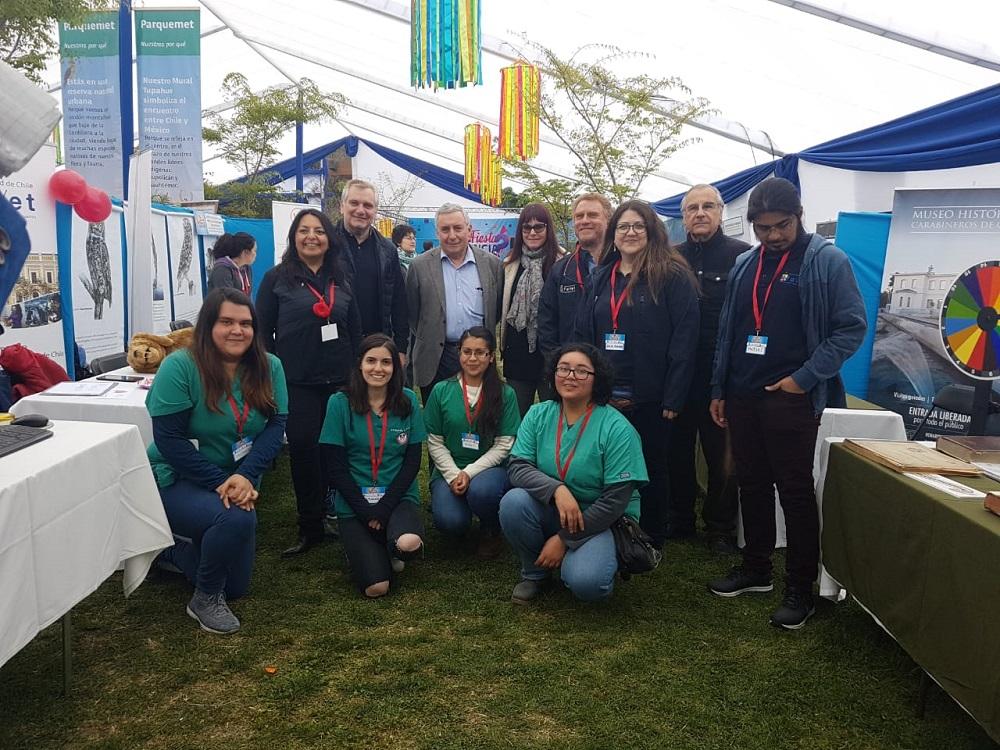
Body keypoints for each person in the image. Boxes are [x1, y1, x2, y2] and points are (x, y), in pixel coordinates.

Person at [707, 177, 866, 630]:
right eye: (763, 228)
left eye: (781, 226)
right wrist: (720, 388)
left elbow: (850, 327)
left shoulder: (827, 261)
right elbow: (728, 332)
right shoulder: (745, 264)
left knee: (794, 491)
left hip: (792, 399)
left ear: (798, 216)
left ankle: (801, 587)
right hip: (743, 393)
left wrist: (803, 378)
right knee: (750, 483)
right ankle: (756, 568)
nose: (773, 236)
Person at [146, 287, 288, 634]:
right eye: (226, 321)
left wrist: (246, 475)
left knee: (237, 588)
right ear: (208, 325)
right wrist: (221, 481)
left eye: (245, 323)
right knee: (237, 519)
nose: (237, 330)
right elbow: (169, 441)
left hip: (236, 476)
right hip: (175, 476)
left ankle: (173, 552)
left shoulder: (269, 365)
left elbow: (276, 425)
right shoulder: (180, 366)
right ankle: (204, 597)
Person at [573, 199, 700, 548]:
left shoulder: (672, 276)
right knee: (607, 464)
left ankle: (652, 535)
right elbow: (583, 333)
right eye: (622, 227)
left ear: (651, 232)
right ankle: (610, 527)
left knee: (651, 467)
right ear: (613, 235)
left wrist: (674, 395)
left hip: (652, 394)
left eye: (637, 226)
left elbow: (685, 341)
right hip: (605, 394)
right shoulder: (602, 277)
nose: (629, 233)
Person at [499, 343, 648, 603]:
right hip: (554, 507)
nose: (570, 376)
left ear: (597, 379)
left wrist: (564, 539)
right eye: (564, 369)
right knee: (513, 503)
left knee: (587, 584)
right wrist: (557, 490)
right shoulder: (538, 414)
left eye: (581, 371)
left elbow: (615, 501)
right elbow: (518, 466)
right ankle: (535, 574)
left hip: (602, 520)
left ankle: (590, 558)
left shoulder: (617, 428)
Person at [256, 208, 363, 558]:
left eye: (319, 230)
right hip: (297, 381)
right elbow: (262, 334)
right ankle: (309, 524)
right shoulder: (277, 279)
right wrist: (269, 373)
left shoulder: (342, 279)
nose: (312, 236)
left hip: (340, 380)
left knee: (334, 449)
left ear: (329, 238)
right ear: (294, 237)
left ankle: (336, 512)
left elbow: (355, 331)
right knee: (303, 448)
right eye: (304, 230)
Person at [668, 185, 751, 553]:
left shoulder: (743, 257)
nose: (699, 214)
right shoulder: (671, 258)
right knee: (677, 448)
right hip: (680, 370)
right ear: (683, 216)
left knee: (722, 454)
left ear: (720, 212)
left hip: (722, 373)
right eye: (691, 208)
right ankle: (680, 517)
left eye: (707, 207)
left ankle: (719, 527)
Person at [319, 334, 426, 597]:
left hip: (397, 497)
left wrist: (385, 506)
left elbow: (413, 462)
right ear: (359, 364)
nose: (378, 368)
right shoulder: (339, 403)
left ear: (395, 367)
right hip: (355, 501)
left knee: (409, 544)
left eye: (386, 362)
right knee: (377, 588)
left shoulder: (408, 400)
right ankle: (364, 548)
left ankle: (389, 544)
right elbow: (336, 468)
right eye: (371, 361)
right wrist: (366, 511)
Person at [424, 326, 521, 558]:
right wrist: (452, 474)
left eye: (480, 352)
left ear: (490, 357)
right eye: (467, 351)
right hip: (450, 468)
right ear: (459, 353)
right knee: (450, 522)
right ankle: (460, 517)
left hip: (489, 470)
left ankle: (490, 528)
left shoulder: (505, 394)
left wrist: (468, 473)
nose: (472, 358)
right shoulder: (441, 390)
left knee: (482, 492)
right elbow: (434, 441)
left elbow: (504, 444)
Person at [405, 203, 503, 402]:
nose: (452, 235)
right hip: (436, 358)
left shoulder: (492, 264)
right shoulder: (419, 266)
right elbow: (413, 314)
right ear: (437, 232)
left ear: (469, 230)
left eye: (458, 228)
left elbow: (496, 309)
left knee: (480, 417)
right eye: (445, 229)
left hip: (479, 355)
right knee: (438, 421)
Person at [500, 203, 564, 416]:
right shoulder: (509, 264)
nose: (533, 232)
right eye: (527, 228)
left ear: (549, 229)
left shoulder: (564, 264)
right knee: (515, 421)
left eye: (539, 226)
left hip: (553, 356)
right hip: (517, 355)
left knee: (554, 418)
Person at [336, 180, 409, 357]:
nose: (360, 210)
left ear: (375, 211)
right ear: (342, 206)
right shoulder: (327, 245)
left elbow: (398, 302)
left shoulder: (388, 250)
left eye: (368, 205)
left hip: (376, 346)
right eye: (354, 203)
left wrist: (400, 349)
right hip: (336, 346)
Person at [538, 193, 612, 359]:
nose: (585, 220)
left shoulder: (624, 266)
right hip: (572, 374)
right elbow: (546, 325)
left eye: (593, 215)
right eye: (579, 216)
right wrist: (557, 364)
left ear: (609, 220)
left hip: (616, 373)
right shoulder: (561, 270)